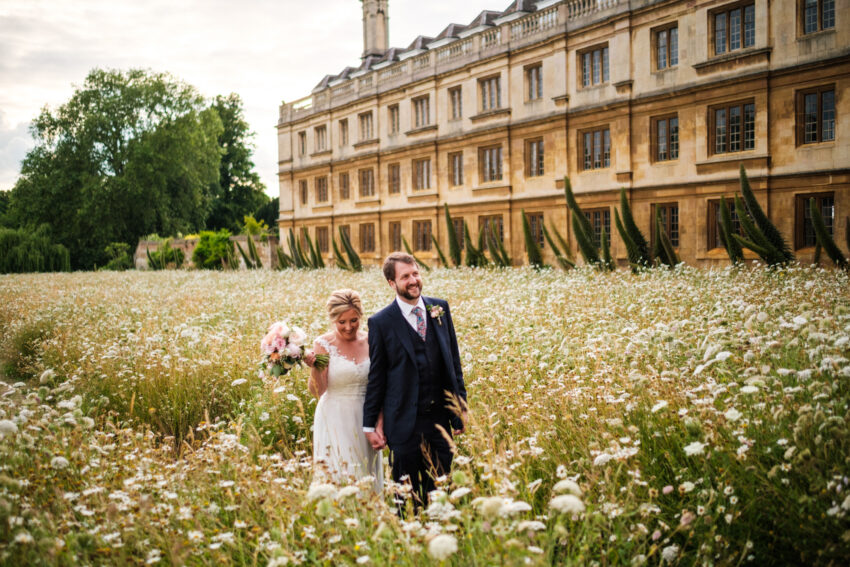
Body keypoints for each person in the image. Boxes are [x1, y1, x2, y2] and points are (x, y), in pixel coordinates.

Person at [363, 252, 468, 510]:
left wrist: (460, 407)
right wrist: (369, 425)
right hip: (404, 423)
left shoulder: (439, 308)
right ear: (391, 283)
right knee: (406, 497)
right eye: (405, 276)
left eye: (416, 273)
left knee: (441, 491)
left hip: (441, 420)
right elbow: (376, 376)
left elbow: (453, 362)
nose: (413, 280)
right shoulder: (381, 322)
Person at [304, 289, 384, 493]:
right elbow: (317, 390)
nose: (349, 327)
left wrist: (380, 423)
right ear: (333, 320)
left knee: (367, 476)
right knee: (339, 474)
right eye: (342, 322)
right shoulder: (323, 344)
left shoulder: (371, 340)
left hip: (367, 417)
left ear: (361, 316)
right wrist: (314, 366)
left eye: (354, 320)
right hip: (334, 417)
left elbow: (380, 384)